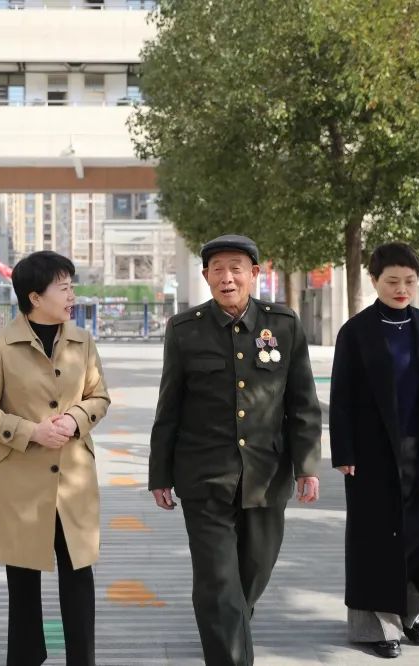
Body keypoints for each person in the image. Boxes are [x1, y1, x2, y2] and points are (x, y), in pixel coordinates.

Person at [148, 234, 322, 666]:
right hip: (204, 476)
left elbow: (302, 402)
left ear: (254, 274)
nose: (227, 278)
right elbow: (169, 407)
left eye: (236, 269)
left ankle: (230, 629)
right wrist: (160, 474)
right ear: (206, 276)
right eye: (218, 270)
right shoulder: (184, 330)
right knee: (217, 583)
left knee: (253, 573)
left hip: (266, 476)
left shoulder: (283, 325)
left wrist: (306, 465)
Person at [0, 251, 110, 666]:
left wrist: (76, 419)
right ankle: (27, 656)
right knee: (23, 578)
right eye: (63, 288)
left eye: (71, 286)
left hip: (72, 479)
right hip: (18, 480)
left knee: (78, 573)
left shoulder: (83, 341)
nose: (72, 295)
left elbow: (99, 397)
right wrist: (32, 431)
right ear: (35, 297)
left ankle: (82, 659)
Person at [329, 242, 419, 659]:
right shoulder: (356, 332)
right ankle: (379, 626)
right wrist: (344, 452)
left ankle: (409, 611)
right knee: (377, 543)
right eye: (392, 281)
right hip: (373, 457)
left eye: (409, 281)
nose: (401, 288)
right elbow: (342, 397)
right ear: (374, 281)